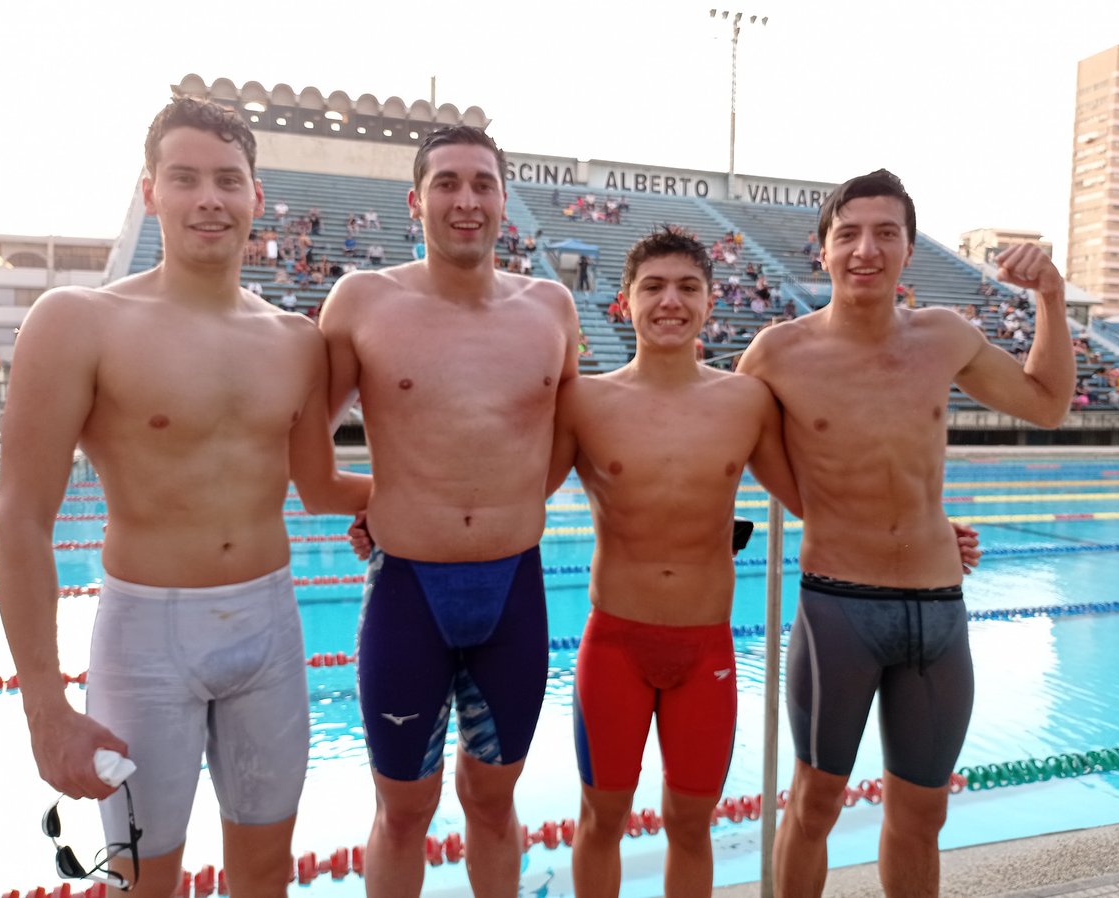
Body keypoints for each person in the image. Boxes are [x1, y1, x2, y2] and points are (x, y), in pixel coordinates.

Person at [0, 97, 371, 897]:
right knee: (144, 878)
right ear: (150, 191)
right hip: (146, 639)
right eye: (186, 178)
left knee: (265, 873)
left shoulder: (297, 341)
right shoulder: (78, 323)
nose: (209, 199)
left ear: (256, 198)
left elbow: (319, 487)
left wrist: (425, 503)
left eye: (228, 180)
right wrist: (44, 708)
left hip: (270, 627)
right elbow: (22, 519)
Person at [737, 169, 1073, 898]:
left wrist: (1050, 295)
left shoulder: (943, 336)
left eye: (886, 233)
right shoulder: (776, 353)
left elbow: (1047, 404)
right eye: (849, 234)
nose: (867, 250)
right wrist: (842, 516)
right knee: (815, 804)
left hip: (937, 611)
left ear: (909, 249)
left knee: (923, 815)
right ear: (823, 250)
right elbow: (748, 455)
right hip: (838, 610)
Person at [319, 124, 580, 898]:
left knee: (494, 805)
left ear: (504, 200)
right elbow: (302, 444)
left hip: (514, 590)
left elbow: (565, 441)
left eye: (482, 184)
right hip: (408, 591)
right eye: (447, 183)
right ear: (416, 201)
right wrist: (381, 500)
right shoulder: (363, 302)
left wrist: (498, 500)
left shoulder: (552, 307)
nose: (466, 200)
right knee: (403, 812)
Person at [547, 228, 802, 898]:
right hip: (615, 645)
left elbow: (813, 497)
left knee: (691, 826)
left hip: (705, 649)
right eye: (653, 287)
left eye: (688, 288)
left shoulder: (745, 401)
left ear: (710, 303)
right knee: (601, 819)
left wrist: (928, 527)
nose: (671, 301)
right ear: (625, 302)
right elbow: (514, 500)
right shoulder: (584, 401)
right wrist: (383, 514)